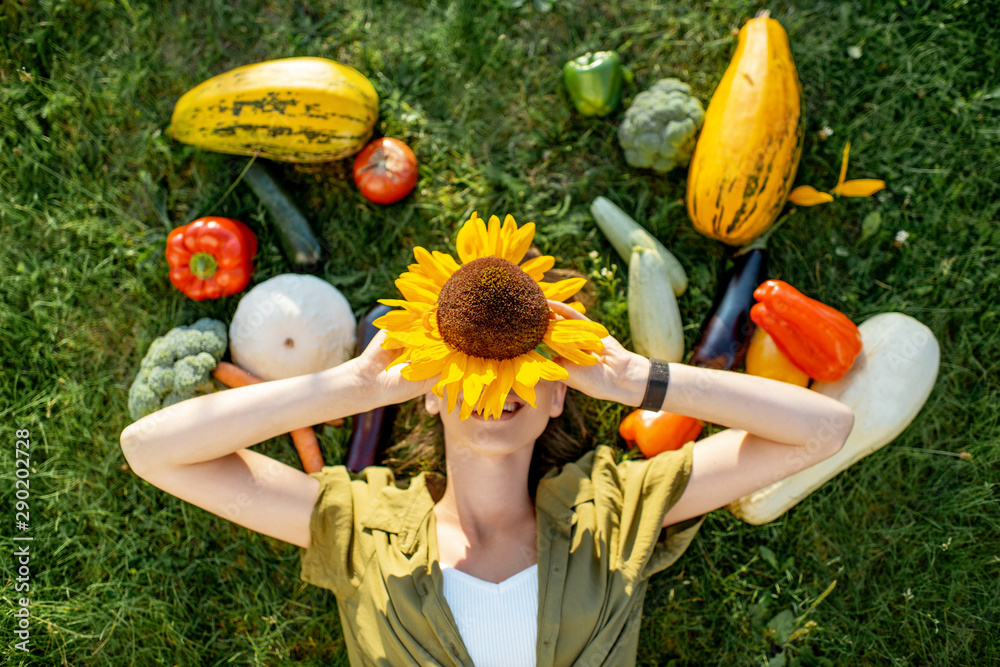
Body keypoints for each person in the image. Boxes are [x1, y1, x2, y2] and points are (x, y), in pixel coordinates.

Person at [120, 298, 855, 666]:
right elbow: (153, 450)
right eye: (470, 363)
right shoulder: (362, 525)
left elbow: (824, 429)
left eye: (524, 363)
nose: (496, 382)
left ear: (561, 391)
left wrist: (636, 378)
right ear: (431, 391)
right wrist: (349, 385)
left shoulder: (617, 508)